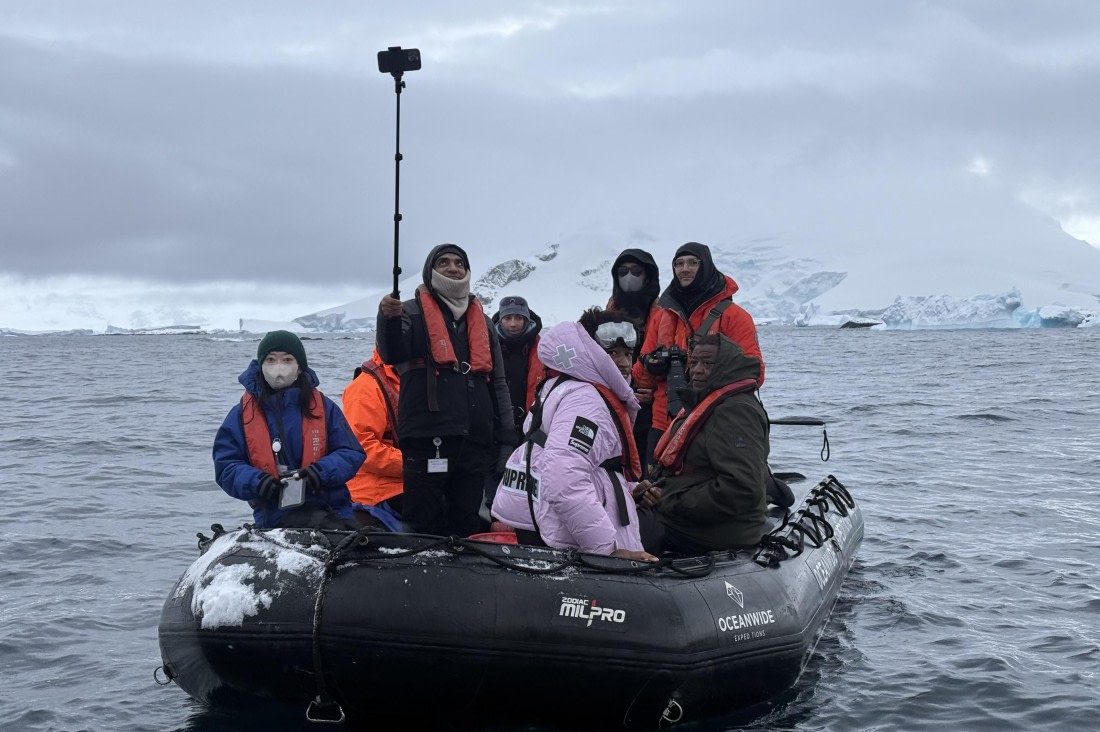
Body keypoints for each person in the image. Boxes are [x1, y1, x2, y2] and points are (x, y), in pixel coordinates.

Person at [377, 243, 517, 537]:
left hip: (475, 441)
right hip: (426, 438)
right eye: (443, 262)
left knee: (466, 522)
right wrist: (387, 319)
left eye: (459, 263)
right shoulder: (408, 311)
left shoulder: (483, 322)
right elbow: (392, 353)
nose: (453, 268)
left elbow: (498, 383)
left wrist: (506, 440)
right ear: (430, 271)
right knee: (422, 523)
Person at [490, 320, 657, 561]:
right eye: (611, 353)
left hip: (537, 519)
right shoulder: (587, 401)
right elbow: (564, 479)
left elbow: (571, 464)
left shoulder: (561, 386)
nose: (623, 363)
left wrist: (628, 489)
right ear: (589, 352)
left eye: (628, 354)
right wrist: (607, 551)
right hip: (564, 533)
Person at [213, 330, 365, 530]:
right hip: (273, 517)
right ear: (260, 365)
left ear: (299, 366)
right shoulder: (242, 414)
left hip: (332, 509)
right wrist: (257, 481)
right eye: (270, 359)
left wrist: (319, 472)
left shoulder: (324, 407)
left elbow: (351, 453)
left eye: (287, 359)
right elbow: (226, 466)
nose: (279, 367)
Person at [634, 242, 764, 474]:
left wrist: (705, 368)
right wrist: (652, 365)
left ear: (706, 267)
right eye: (679, 264)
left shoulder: (734, 317)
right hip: (664, 422)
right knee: (653, 488)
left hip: (714, 421)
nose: (685, 269)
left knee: (709, 485)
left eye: (693, 263)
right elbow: (639, 374)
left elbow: (754, 373)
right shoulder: (662, 316)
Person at [634, 334, 769, 554]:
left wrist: (667, 500)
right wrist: (653, 491)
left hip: (716, 531)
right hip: (689, 519)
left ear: (725, 366)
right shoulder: (707, 401)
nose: (697, 370)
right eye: (693, 362)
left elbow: (741, 488)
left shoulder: (735, 412)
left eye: (707, 364)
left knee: (620, 530)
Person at [606, 249, 661, 475]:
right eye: (623, 272)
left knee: (649, 471)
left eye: (636, 271)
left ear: (647, 276)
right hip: (616, 402)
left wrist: (656, 390)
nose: (629, 277)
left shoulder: (664, 313)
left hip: (653, 406)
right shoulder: (608, 314)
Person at [342, 348, 404, 531]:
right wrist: (414, 464)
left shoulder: (415, 380)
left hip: (410, 481)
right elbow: (363, 449)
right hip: (376, 490)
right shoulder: (365, 388)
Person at [493, 295, 544, 432]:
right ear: (500, 320)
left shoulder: (543, 348)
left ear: (526, 320)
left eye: (519, 318)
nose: (513, 324)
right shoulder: (487, 346)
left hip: (533, 421)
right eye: (507, 318)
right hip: (495, 422)